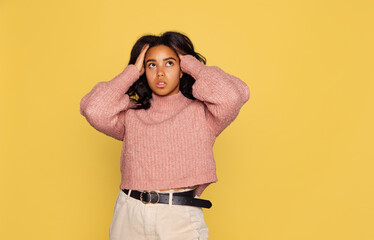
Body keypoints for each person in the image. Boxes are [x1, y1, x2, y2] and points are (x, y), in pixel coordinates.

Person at [80, 31, 250, 240]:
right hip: (129, 213)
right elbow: (93, 109)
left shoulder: (204, 113)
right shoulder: (131, 115)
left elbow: (233, 95)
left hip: (178, 217)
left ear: (181, 69)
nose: (160, 72)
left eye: (169, 63)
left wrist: (190, 62)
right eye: (152, 65)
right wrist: (132, 71)